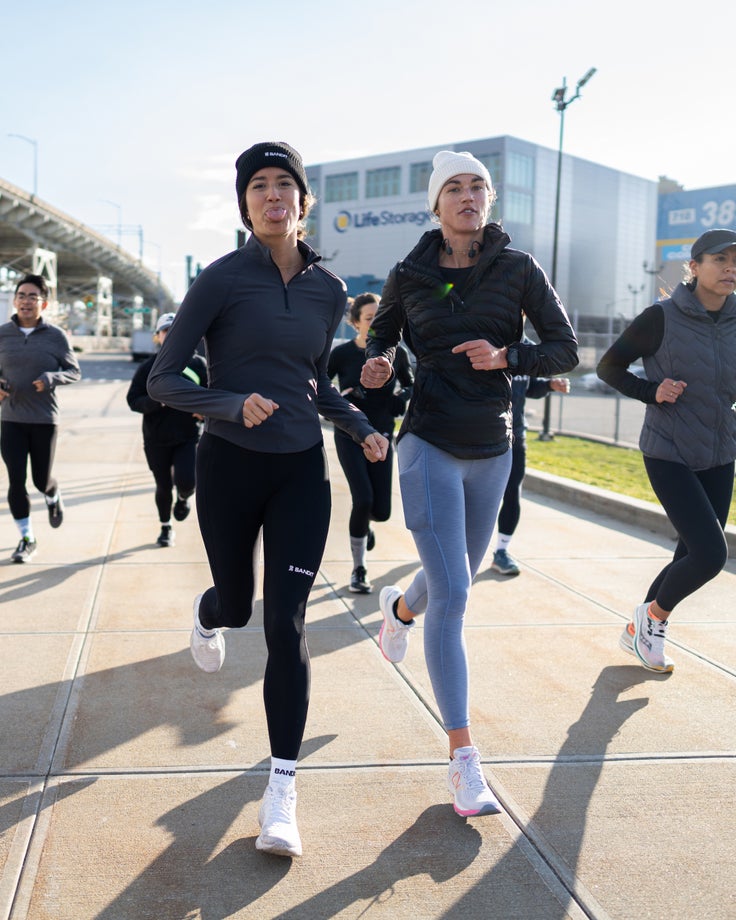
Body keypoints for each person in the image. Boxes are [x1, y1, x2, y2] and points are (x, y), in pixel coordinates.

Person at [147, 141, 388, 858]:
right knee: (238, 606)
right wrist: (226, 401)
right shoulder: (220, 280)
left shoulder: (328, 291)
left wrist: (362, 427)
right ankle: (208, 611)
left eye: (286, 184)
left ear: (305, 202)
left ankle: (281, 788)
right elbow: (163, 380)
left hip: (299, 474)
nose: (274, 195)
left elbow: (317, 383)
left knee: (287, 624)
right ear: (245, 204)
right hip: (228, 465)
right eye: (259, 186)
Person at [361, 149, 578, 817]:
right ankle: (463, 760)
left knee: (456, 572)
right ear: (436, 204)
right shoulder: (409, 273)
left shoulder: (517, 269)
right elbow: (384, 337)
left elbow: (566, 349)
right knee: (455, 591)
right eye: (454, 187)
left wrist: (508, 355)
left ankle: (399, 610)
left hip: (493, 447)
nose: (467, 195)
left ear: (489, 200)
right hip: (428, 441)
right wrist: (378, 362)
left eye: (477, 186)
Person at [598, 227, 736, 674]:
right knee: (711, 555)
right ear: (694, 268)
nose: (731, 268)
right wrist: (651, 390)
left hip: (720, 449)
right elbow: (609, 366)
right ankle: (653, 619)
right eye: (720, 260)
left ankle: (638, 631)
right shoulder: (660, 317)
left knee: (689, 553)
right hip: (668, 450)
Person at [327, 292, 413, 593]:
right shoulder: (341, 354)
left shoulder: (396, 354)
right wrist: (342, 396)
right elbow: (319, 387)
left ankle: (366, 525)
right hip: (350, 434)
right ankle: (358, 569)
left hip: (383, 435)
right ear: (355, 323)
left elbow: (411, 385)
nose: (375, 323)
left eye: (380, 317)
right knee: (362, 499)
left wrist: (400, 399)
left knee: (381, 511)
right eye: (368, 318)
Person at [0, 274, 81, 563]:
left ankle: (52, 492)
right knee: (16, 481)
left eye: (32, 296)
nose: (26, 300)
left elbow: (74, 372)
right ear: (15, 300)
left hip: (45, 419)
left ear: (43, 303)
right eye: (21, 295)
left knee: (39, 479)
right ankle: (27, 538)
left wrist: (51, 378)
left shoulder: (56, 337)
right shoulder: (2, 333)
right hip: (11, 419)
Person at [126, 312, 207, 548]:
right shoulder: (148, 368)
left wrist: (205, 411)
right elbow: (133, 400)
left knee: (187, 480)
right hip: (156, 438)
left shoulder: (197, 364)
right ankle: (165, 527)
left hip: (188, 435)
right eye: (165, 331)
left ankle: (183, 498)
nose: (170, 335)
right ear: (157, 337)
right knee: (162, 486)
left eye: (175, 330)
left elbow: (213, 394)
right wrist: (158, 401)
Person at [491, 371, 570, 576]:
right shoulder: (486, 340)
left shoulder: (526, 348)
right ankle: (459, 548)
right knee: (472, 494)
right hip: (482, 436)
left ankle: (502, 551)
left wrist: (550, 384)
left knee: (512, 493)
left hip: (515, 435)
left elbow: (531, 386)